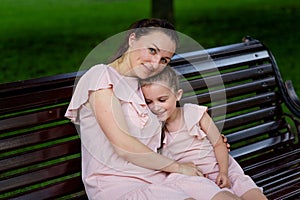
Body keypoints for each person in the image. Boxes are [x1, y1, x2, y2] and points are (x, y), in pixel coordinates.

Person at [65, 18, 242, 200]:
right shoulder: (101, 77)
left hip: (158, 176)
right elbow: (123, 146)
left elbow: (170, 126)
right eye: (152, 50)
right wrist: (178, 167)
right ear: (132, 39)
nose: (156, 64)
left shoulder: (145, 86)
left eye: (164, 59)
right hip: (118, 185)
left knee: (223, 196)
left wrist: (212, 138)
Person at [140, 66, 268, 200]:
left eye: (162, 100)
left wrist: (223, 172)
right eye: (149, 102)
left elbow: (218, 143)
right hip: (194, 178)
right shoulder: (154, 129)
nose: (155, 107)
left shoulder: (194, 113)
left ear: (177, 95)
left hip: (219, 166)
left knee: (252, 194)